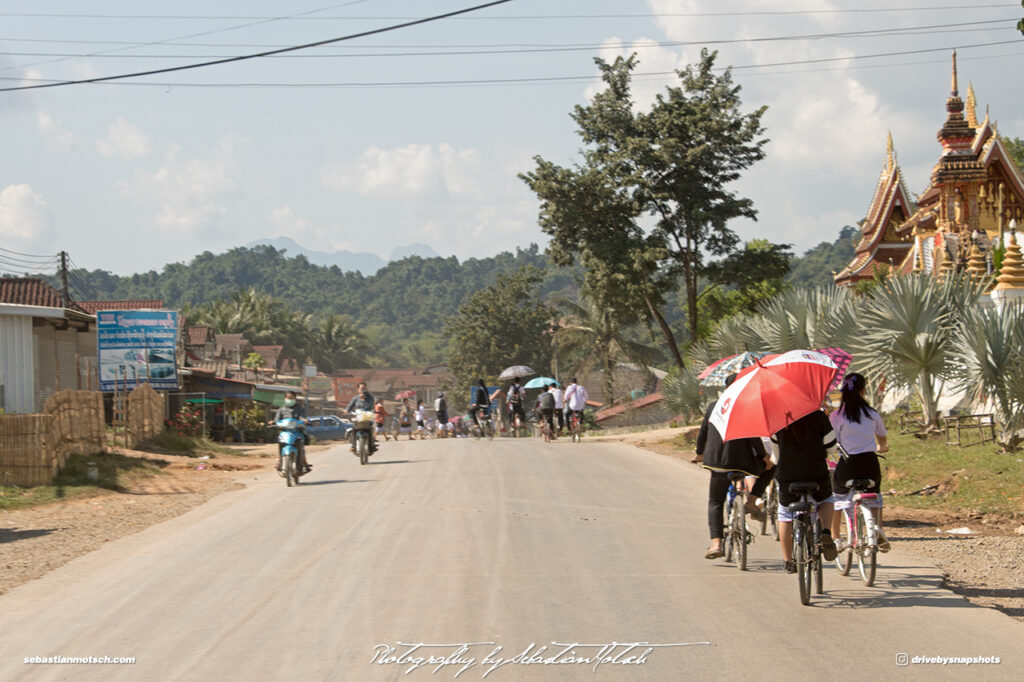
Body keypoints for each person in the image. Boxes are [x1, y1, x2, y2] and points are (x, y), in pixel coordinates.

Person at [695, 374, 772, 559]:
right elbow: (753, 437)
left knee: (715, 502)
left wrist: (699, 453)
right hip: (743, 462)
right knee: (771, 468)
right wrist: (765, 457)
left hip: (717, 461)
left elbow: (703, 432)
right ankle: (752, 502)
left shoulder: (714, 407)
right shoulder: (747, 406)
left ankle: (716, 543)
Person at [772, 409, 839, 573]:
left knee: (785, 514)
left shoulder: (777, 418)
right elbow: (831, 448)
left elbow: (776, 455)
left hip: (788, 477)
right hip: (816, 474)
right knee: (827, 499)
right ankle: (825, 531)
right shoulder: (818, 415)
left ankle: (788, 560)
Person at [829, 373, 891, 552]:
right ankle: (877, 529)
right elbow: (882, 438)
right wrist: (882, 447)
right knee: (875, 497)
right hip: (869, 464)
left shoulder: (837, 415)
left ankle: (835, 537)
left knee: (838, 498)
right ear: (863, 391)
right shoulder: (872, 414)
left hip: (848, 465)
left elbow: (834, 444)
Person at [270, 390, 311, 474]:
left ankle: (303, 464)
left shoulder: (300, 409)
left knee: (301, 447)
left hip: (297, 432)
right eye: (288, 398)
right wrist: (273, 422)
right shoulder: (281, 409)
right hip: (285, 432)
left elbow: (302, 417)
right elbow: (277, 419)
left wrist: (304, 421)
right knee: (280, 444)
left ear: (295, 399)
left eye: (292, 398)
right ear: (285, 399)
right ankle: (280, 462)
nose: (290, 400)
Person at [346, 382, 377, 453]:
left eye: (365, 388)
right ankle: (353, 446)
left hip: (368, 416)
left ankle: (372, 445)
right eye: (362, 388)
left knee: (371, 428)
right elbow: (350, 406)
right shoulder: (355, 398)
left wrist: (364, 400)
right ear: (358, 389)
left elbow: (371, 405)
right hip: (359, 416)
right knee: (354, 428)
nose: (364, 390)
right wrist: (347, 410)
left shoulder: (370, 397)